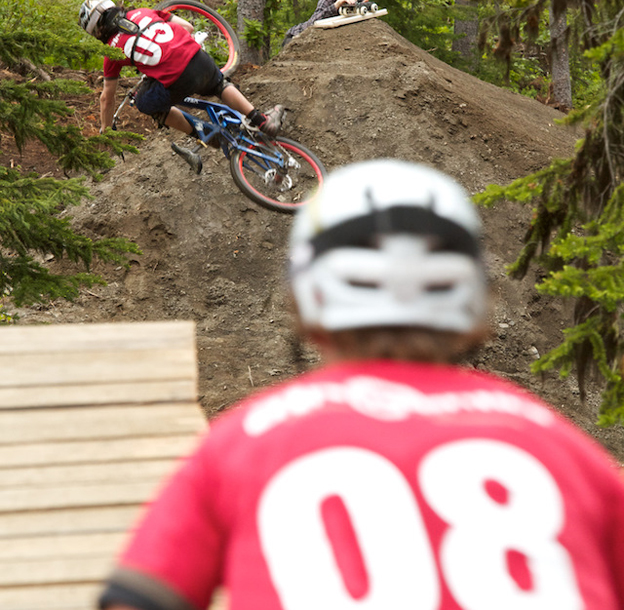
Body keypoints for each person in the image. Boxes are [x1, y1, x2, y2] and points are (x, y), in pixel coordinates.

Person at [98, 159, 624, 610]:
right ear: (475, 305)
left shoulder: (245, 439)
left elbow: (138, 597)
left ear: (306, 301)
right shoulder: (561, 447)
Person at [79, 0, 285, 172]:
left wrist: (106, 130)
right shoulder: (143, 12)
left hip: (176, 77)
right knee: (219, 85)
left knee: (143, 102)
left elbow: (107, 97)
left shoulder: (111, 53)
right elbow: (188, 27)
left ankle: (204, 133)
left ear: (97, 31)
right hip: (198, 58)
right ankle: (262, 120)